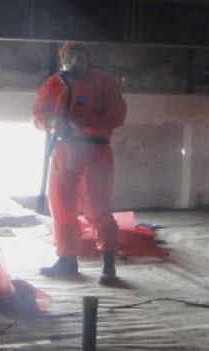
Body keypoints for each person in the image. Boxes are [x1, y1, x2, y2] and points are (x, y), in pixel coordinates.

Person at [32, 42, 127, 285]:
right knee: (61, 206)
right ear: (62, 59)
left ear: (88, 58)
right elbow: (39, 114)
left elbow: (116, 115)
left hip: (95, 150)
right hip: (64, 150)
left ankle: (108, 263)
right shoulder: (54, 83)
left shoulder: (105, 83)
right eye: (70, 57)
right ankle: (66, 259)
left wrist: (80, 124)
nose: (75, 62)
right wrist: (53, 122)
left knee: (98, 207)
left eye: (80, 56)